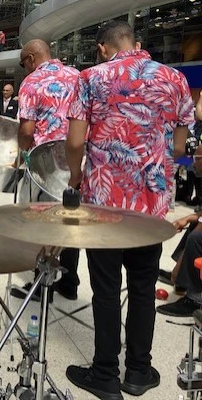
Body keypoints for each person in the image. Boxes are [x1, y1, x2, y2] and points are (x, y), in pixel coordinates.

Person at [65, 20, 194, 400]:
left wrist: (76, 175)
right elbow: (180, 149)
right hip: (151, 206)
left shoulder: (90, 77)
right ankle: (139, 371)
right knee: (142, 287)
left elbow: (75, 142)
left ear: (103, 48)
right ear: (136, 43)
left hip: (104, 201)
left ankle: (105, 374)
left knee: (105, 289)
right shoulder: (175, 80)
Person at [10, 39, 81, 302]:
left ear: (30, 58)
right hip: (75, 159)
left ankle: (44, 285)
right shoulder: (77, 76)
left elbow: (27, 131)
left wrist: (20, 151)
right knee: (70, 219)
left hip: (46, 162)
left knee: (42, 222)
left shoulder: (32, 82)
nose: (24, 68)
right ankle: (70, 280)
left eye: (23, 63)